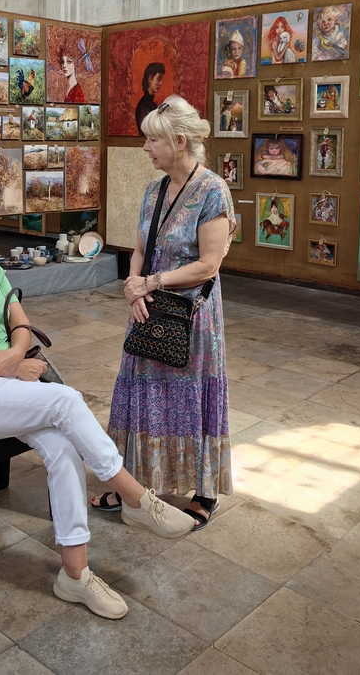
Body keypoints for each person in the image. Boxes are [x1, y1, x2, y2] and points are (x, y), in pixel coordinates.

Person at [0, 191, 194, 621]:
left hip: (1, 386)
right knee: (65, 399)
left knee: (63, 448)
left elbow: (21, 325)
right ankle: (134, 496)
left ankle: (74, 575)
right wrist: (13, 365)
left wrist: (15, 357)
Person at [93, 95, 235, 529]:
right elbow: (140, 249)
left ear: (179, 141)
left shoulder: (213, 190)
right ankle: (137, 484)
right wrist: (133, 287)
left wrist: (150, 283)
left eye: (152, 140)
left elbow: (208, 264)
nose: (145, 148)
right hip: (148, 308)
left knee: (191, 395)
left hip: (192, 314)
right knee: (144, 394)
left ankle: (204, 490)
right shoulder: (153, 190)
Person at [135, 62, 165, 134]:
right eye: (158, 79)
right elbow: (145, 132)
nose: (160, 83)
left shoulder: (152, 104)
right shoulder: (143, 105)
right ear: (150, 79)